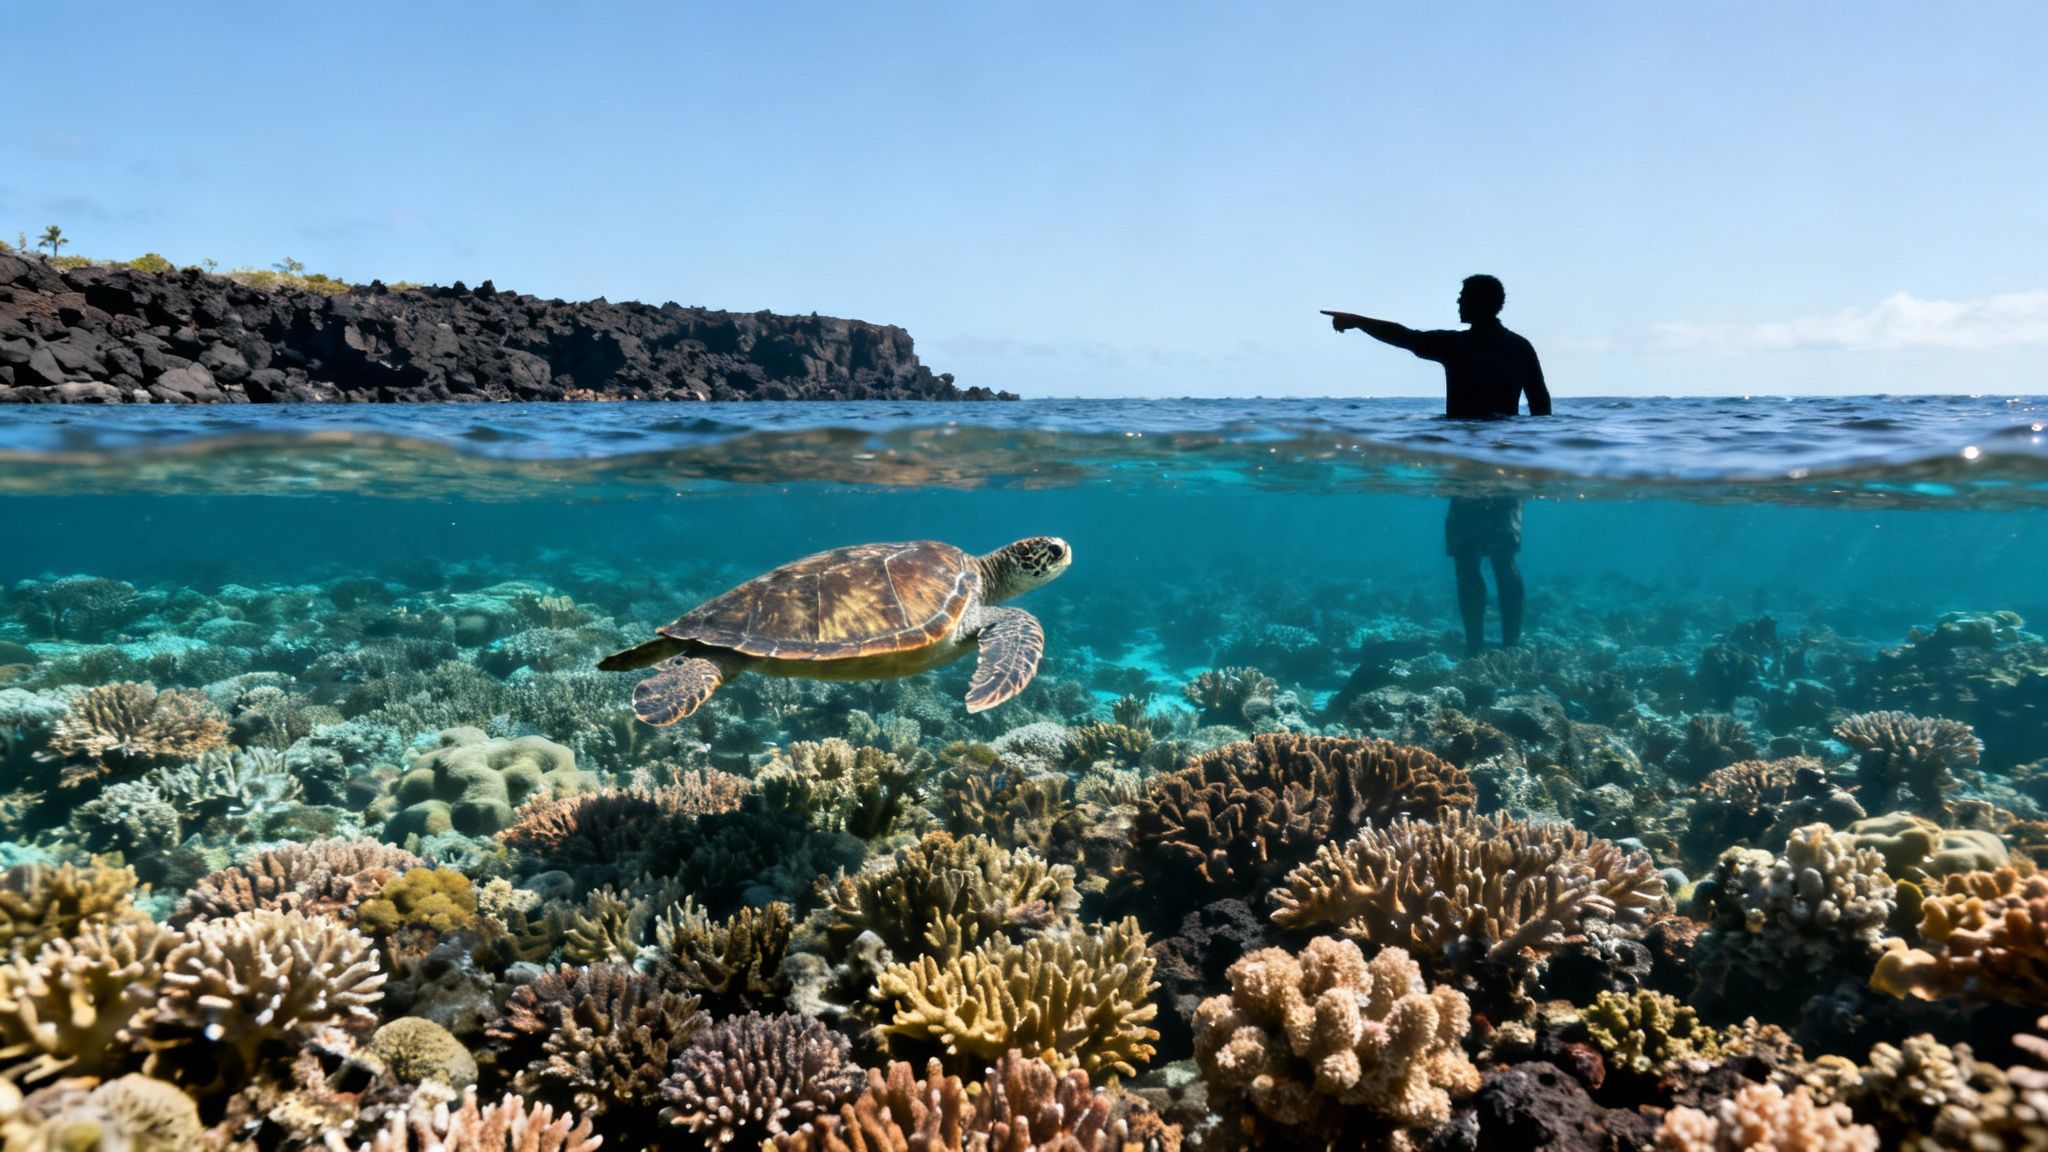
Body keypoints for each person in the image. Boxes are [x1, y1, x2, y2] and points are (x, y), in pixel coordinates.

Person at [1324, 275, 1549, 654]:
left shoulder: (1458, 346)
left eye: (1462, 297)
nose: (1458, 303)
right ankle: (1510, 648)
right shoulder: (1518, 347)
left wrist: (1358, 322)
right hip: (1506, 463)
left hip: (1466, 467)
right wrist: (1536, 461)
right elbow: (1542, 408)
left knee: (1467, 560)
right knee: (1502, 557)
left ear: (1477, 303)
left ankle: (1475, 648)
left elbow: (1405, 337)